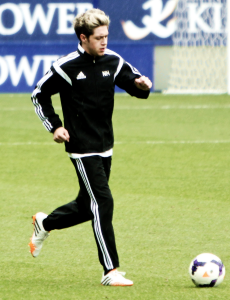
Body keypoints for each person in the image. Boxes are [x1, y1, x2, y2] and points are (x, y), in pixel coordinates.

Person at [29, 8, 152, 286]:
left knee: (88, 206)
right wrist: (55, 126)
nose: (104, 41)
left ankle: (45, 224)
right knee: (103, 202)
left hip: (105, 143)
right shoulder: (67, 66)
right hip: (81, 146)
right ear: (83, 38)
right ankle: (110, 271)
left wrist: (143, 85)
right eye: (98, 37)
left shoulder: (113, 60)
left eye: (106, 36)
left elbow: (134, 85)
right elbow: (39, 94)